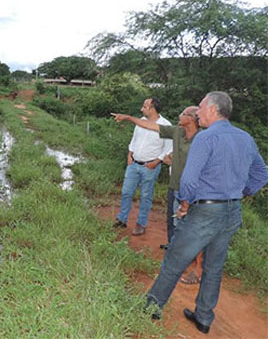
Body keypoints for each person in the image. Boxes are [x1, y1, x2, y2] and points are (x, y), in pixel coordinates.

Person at [146, 92, 268, 334]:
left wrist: (184, 205)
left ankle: (150, 308)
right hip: (231, 212)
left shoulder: (205, 138)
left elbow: (189, 181)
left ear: (212, 110)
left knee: (174, 260)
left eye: (200, 108)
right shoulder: (245, 138)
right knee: (213, 266)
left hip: (205, 212)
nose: (197, 113)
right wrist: (240, 193)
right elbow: (262, 173)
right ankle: (203, 318)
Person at [111, 106, 203, 284]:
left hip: (193, 193)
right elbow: (149, 127)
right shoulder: (177, 132)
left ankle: (197, 267)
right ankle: (176, 256)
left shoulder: (202, 139)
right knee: (174, 223)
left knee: (192, 228)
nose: (179, 115)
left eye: (183, 113)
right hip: (175, 187)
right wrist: (128, 117)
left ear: (192, 118)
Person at [112, 98, 172, 235]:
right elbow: (134, 139)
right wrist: (129, 154)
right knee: (126, 192)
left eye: (144, 106)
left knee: (146, 195)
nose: (141, 109)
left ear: (152, 109)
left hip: (149, 167)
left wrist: (156, 162)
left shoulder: (165, 125)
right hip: (133, 164)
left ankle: (141, 223)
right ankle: (122, 219)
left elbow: (168, 148)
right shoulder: (140, 122)